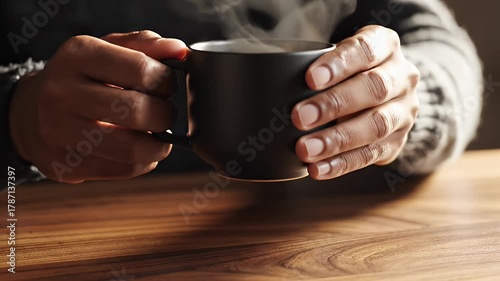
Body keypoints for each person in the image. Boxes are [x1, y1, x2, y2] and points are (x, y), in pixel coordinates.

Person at [0, 0, 483, 185]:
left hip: (301, 235)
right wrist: (15, 113)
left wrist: (406, 103)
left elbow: (435, 40)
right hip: (54, 225)